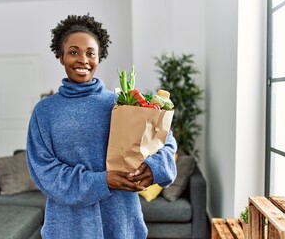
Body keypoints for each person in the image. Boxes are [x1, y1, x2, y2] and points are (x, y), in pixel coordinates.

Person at [26, 14, 177, 239]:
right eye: (73, 52)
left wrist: (154, 168)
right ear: (61, 56)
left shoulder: (123, 102)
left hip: (122, 221)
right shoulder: (45, 112)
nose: (83, 60)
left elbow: (166, 140)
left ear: (99, 57)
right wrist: (101, 181)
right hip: (68, 227)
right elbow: (45, 171)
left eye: (90, 53)